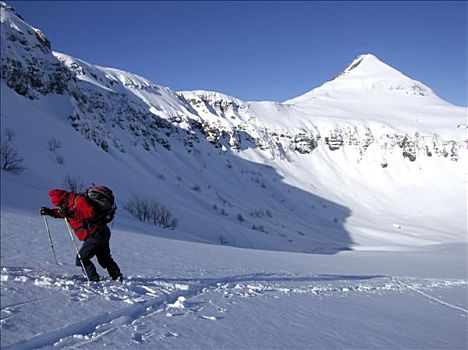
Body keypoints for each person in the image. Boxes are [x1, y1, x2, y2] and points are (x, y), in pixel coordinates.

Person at [40, 188, 123, 282]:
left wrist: (72, 213)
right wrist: (50, 212)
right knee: (104, 258)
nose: (60, 207)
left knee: (82, 258)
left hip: (95, 234)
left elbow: (90, 213)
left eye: (60, 204)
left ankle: (93, 279)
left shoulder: (79, 201)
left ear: (63, 200)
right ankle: (117, 276)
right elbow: (63, 213)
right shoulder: (69, 204)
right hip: (100, 231)